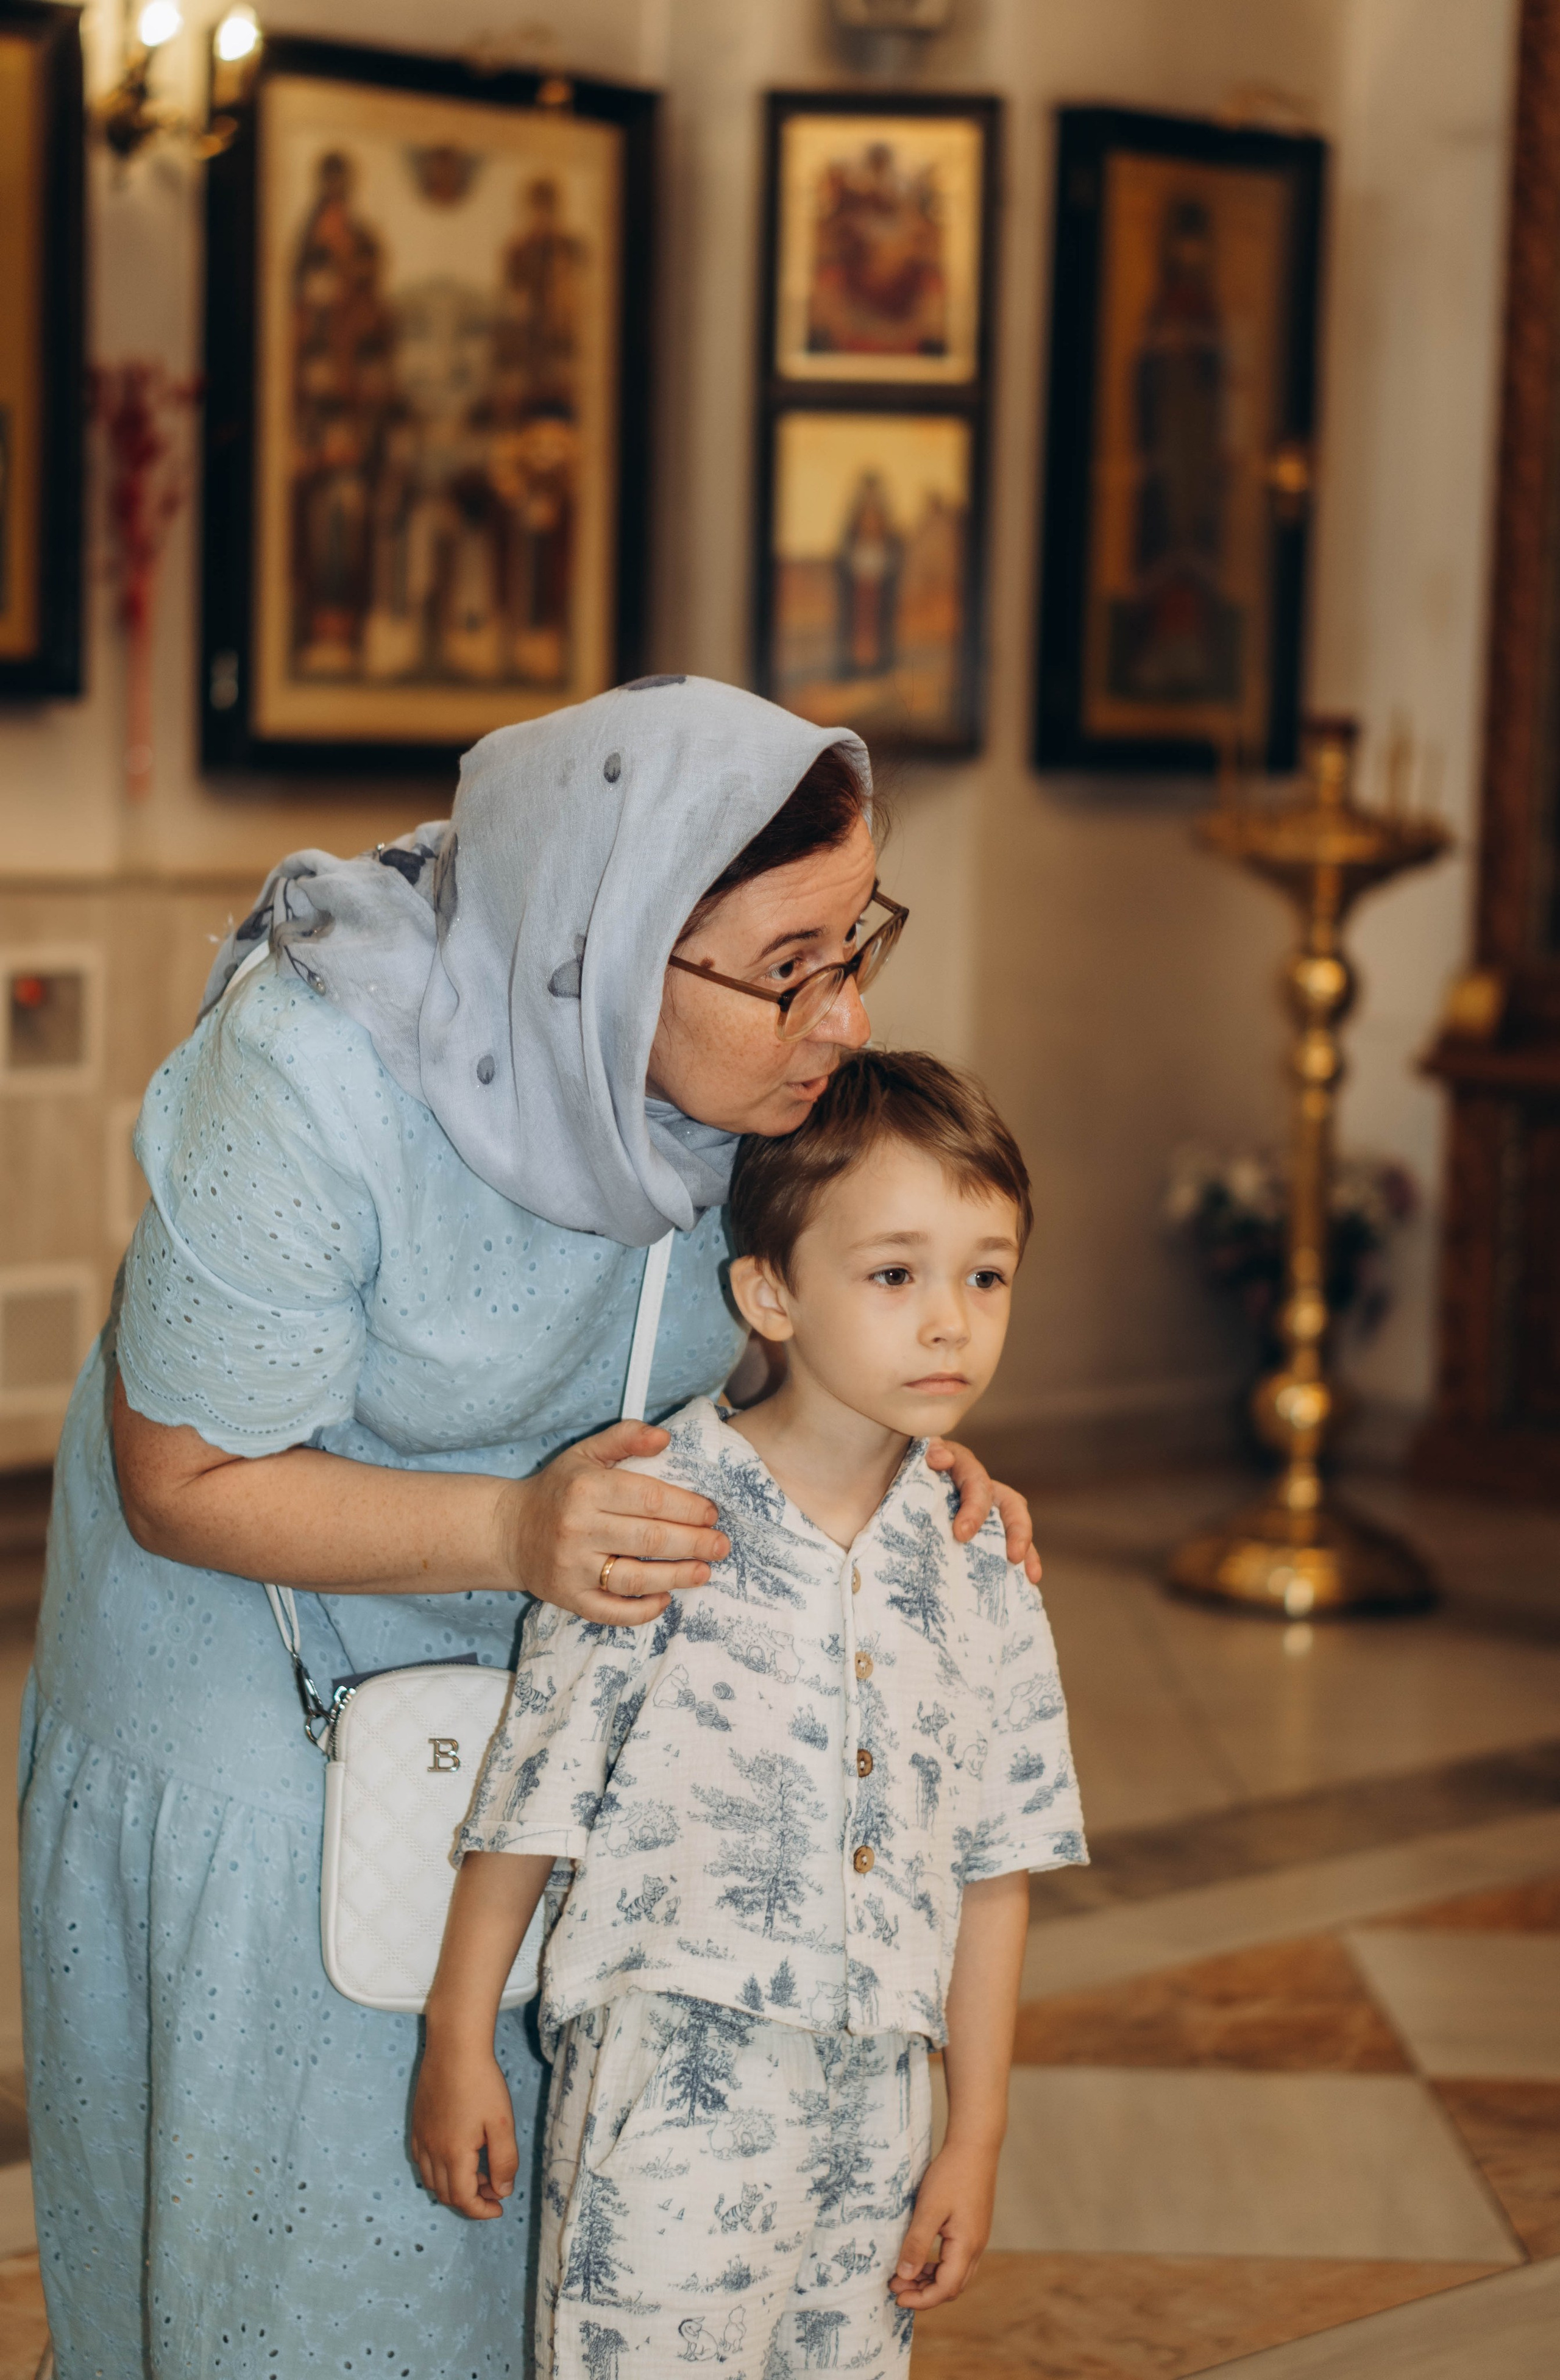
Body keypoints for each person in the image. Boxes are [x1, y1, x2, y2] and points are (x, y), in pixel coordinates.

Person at [18, 677, 1041, 2380]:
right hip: (244, 1691)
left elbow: (800, 1309)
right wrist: (513, 1531)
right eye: (789, 964)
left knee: (528, 2248)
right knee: (291, 2260)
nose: (843, 1014)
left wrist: (905, 1446)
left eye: (856, 942)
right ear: (606, 946)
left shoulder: (760, 1082)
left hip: (564, 1687)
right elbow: (178, 1479)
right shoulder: (311, 1070)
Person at [413, 1048, 1086, 2376]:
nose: (948, 1323)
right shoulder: (653, 1519)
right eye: (893, 1275)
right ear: (769, 1292)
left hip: (879, 2108)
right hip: (669, 2096)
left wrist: (974, 2131)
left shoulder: (982, 1561)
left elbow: (993, 1869)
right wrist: (458, 2033)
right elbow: (533, 1796)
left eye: (986, 1275)